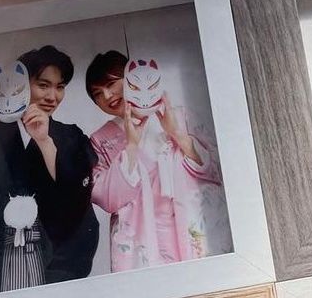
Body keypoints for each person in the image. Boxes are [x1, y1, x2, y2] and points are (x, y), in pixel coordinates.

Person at [0, 45, 99, 297]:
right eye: (43, 85)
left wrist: (45, 142)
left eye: (59, 87)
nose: (52, 96)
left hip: (56, 263)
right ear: (21, 84)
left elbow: (77, 198)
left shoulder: (69, 135)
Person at [84, 50, 231, 273]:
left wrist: (177, 135)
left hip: (188, 223)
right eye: (97, 93)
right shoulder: (100, 139)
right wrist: (131, 146)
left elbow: (218, 170)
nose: (106, 95)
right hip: (140, 237)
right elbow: (106, 198)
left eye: (111, 84)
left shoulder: (180, 116)